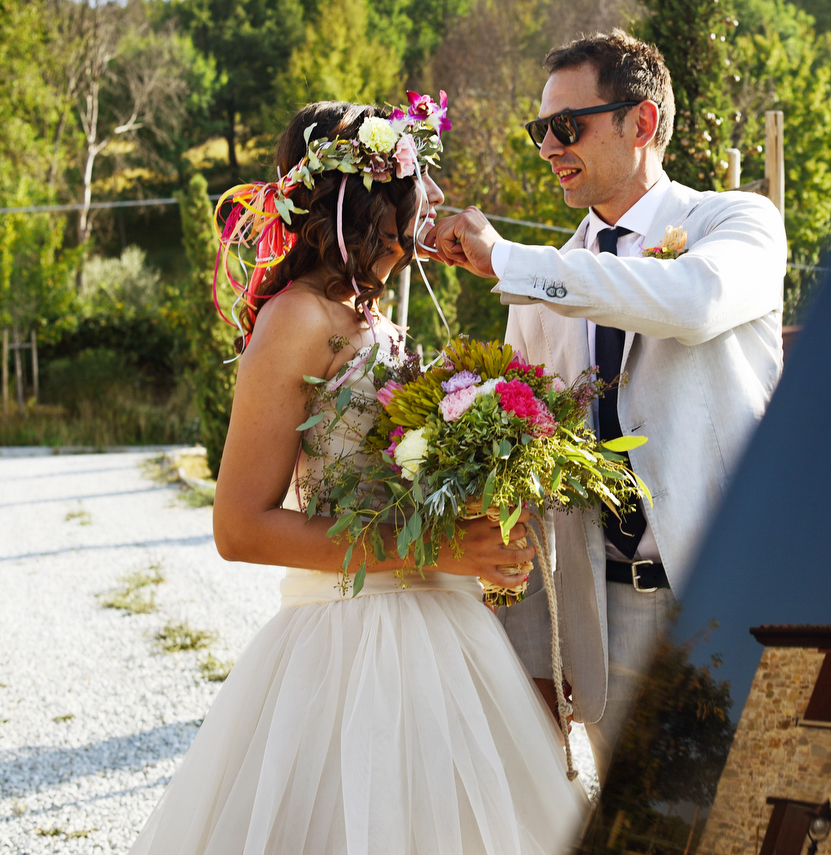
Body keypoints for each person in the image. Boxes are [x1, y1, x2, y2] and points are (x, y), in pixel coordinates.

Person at [128, 99, 584, 855]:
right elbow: (238, 528)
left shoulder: (372, 318)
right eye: (421, 181)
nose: (435, 200)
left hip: (447, 633)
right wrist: (437, 551)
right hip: (349, 646)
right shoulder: (296, 320)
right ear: (374, 195)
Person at [427, 30, 787, 774]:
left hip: (728, 602)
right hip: (607, 620)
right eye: (540, 131)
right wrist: (532, 650)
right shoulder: (540, 279)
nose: (549, 147)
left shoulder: (738, 224)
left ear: (642, 122)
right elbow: (522, 465)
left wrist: (506, 259)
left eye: (568, 126)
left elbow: (693, 301)